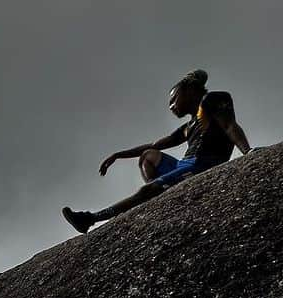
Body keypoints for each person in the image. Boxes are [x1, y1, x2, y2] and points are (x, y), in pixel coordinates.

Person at [62, 69, 252, 234]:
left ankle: (91, 218)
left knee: (146, 190)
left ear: (189, 90)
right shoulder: (188, 127)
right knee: (148, 155)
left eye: (174, 99)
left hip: (203, 163)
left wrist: (248, 152)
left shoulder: (210, 101)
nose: (171, 106)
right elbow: (155, 144)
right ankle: (158, 192)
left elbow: (229, 126)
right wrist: (118, 155)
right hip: (185, 165)